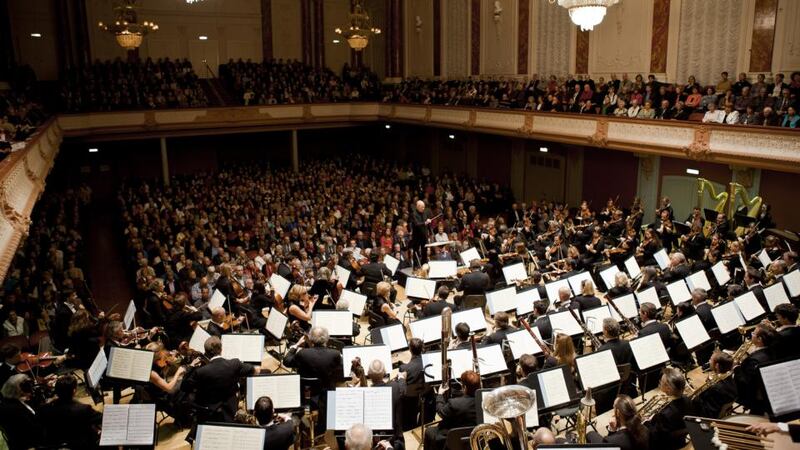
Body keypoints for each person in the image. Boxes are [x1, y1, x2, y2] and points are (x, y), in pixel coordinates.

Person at [181, 336, 261, 422]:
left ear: (206, 353)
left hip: (210, 414)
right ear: (221, 349)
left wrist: (190, 367)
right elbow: (256, 371)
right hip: (232, 409)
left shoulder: (200, 372)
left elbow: (184, 387)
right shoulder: (234, 364)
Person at [38, 374, 101, 448]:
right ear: (74, 391)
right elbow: (101, 418)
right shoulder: (83, 409)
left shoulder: (44, 408)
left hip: (56, 444)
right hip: (81, 445)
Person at [424, 370, 480, 450]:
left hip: (452, 437)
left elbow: (441, 412)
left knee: (429, 431)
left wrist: (439, 395)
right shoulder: (484, 401)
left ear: (464, 387)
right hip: (474, 436)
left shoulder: (454, 403)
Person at [645, 367, 693, 450]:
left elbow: (655, 436)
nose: (659, 383)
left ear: (668, 388)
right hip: (680, 441)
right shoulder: (688, 400)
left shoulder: (664, 414)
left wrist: (649, 421)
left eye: (661, 382)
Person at [735, 323, 778, 415]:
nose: (751, 335)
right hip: (765, 392)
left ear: (759, 339)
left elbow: (744, 382)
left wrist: (736, 368)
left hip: (751, 396)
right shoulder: (772, 350)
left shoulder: (754, 360)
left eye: (753, 333)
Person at [0, 374, 43, 450]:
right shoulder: (15, 410)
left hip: (23, 439)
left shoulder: (8, 401)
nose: (31, 390)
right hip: (28, 444)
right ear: (19, 390)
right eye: (28, 387)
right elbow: (34, 430)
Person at [691, 351, 737, 419]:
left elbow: (699, 399)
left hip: (709, 415)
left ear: (717, 366)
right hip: (720, 406)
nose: (709, 361)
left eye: (710, 359)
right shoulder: (730, 378)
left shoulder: (715, 387)